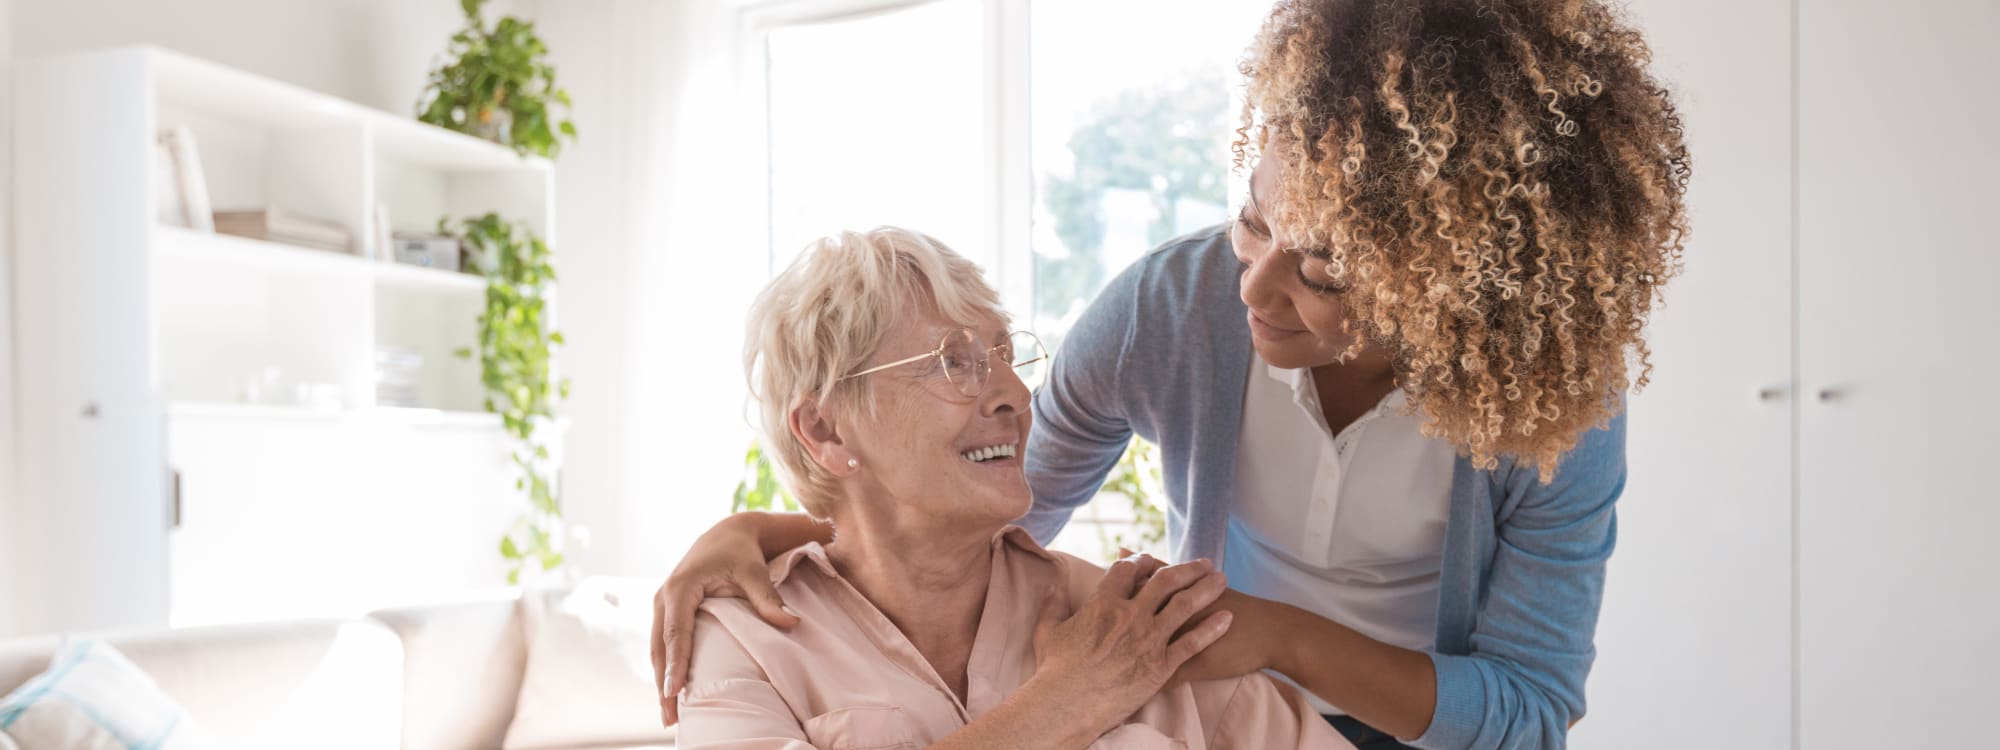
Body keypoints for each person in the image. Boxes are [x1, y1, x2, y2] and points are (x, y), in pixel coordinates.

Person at [655, 1, 1689, 748]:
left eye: (1321, 268)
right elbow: (986, 512)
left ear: (1448, 285)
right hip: (1223, 689)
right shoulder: (1168, 307)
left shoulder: (1550, 404)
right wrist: (768, 530)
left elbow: (1526, 709)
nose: (1255, 289)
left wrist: (1280, 635)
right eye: (1252, 219)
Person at [675, 226, 1353, 749]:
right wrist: (1060, 705)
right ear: (825, 430)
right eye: (954, 362)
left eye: (1004, 355)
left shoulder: (1129, 622)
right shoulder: (745, 639)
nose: (1011, 393)